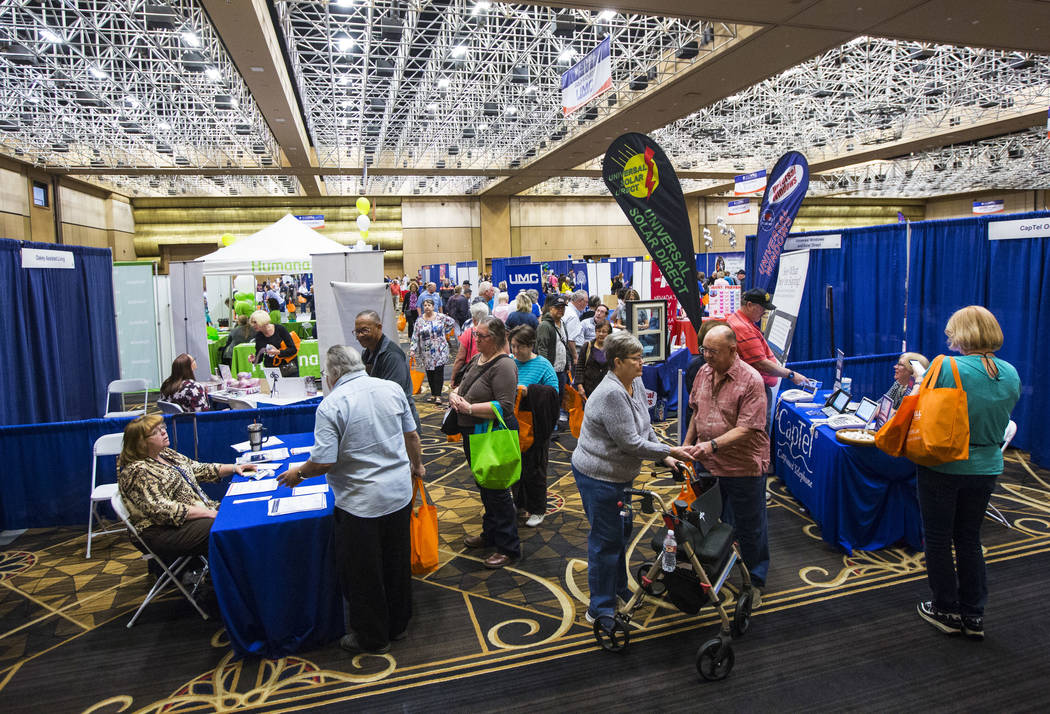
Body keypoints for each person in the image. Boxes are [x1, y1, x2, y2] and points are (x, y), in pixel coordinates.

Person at [278, 345, 424, 655]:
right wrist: (417, 466)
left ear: (331, 374)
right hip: (398, 495)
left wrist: (298, 475)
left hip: (361, 503)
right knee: (396, 562)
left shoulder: (331, 405)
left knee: (363, 573)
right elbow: (412, 435)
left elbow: (323, 463)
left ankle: (372, 637)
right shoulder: (392, 388)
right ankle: (398, 625)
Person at [571, 331, 693, 622]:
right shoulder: (612, 392)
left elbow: (645, 426)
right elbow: (632, 443)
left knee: (621, 534)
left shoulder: (634, 382)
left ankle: (617, 587)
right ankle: (599, 608)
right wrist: (672, 450)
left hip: (619, 475)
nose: (642, 364)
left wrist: (663, 456)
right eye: (636, 359)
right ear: (617, 362)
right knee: (605, 541)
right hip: (599, 477)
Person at [914, 306, 1020, 640]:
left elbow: (920, 407)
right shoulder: (1010, 373)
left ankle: (945, 608)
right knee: (969, 539)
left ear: (961, 334)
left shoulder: (946, 366)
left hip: (944, 465)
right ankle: (974, 614)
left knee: (939, 539)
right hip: (987, 468)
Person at [683, 325, 771, 602]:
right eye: (704, 350)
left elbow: (748, 428)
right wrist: (687, 447)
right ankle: (712, 569)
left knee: (749, 526)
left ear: (733, 350)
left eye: (714, 352)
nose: (707, 356)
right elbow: (696, 412)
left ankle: (755, 581)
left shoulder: (751, 381)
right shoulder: (703, 372)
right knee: (705, 521)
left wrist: (711, 445)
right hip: (706, 463)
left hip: (741, 466)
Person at [117, 415, 255, 562]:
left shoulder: (165, 453)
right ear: (141, 443)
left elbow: (198, 469)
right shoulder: (138, 470)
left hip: (193, 517)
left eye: (163, 427)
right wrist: (209, 513)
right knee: (227, 525)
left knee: (243, 509)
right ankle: (229, 577)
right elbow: (162, 510)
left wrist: (235, 468)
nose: (164, 432)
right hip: (160, 531)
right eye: (156, 432)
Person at [448, 317, 521, 569]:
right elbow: (463, 384)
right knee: (485, 486)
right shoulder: (478, 358)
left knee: (497, 491)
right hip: (474, 432)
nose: (475, 339)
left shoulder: (504, 366)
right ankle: (490, 534)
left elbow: (506, 406)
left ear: (497, 338)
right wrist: (455, 394)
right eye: (475, 335)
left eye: (481, 336)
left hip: (491, 433)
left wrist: (468, 408)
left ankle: (508, 546)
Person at [726, 289, 809, 423]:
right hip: (754, 390)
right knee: (758, 432)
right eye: (762, 308)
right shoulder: (743, 328)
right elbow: (761, 364)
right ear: (749, 305)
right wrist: (791, 375)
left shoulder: (739, 320)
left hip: (750, 386)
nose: (765, 312)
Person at [509, 325, 559, 527]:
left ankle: (538, 509)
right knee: (514, 466)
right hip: (512, 423)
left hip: (536, 426)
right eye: (512, 346)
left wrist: (530, 392)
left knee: (535, 468)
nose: (514, 351)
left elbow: (553, 396)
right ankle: (520, 504)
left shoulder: (543, 365)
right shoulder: (509, 363)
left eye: (519, 347)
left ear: (530, 345)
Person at [355, 310, 420, 429]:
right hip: (384, 420)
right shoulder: (367, 352)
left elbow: (393, 396)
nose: (360, 336)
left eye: (365, 330)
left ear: (379, 327)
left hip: (401, 424)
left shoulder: (392, 355)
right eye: (357, 332)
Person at [411, 297, 457, 404]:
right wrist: (413, 348)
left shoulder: (440, 317)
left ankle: (438, 395)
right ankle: (433, 394)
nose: (427, 307)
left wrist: (445, 332)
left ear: (433, 306)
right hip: (426, 350)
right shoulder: (420, 320)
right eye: (425, 305)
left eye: (429, 305)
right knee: (430, 372)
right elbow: (415, 335)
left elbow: (452, 322)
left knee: (438, 372)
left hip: (440, 349)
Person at [536, 294, 575, 406]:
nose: (560, 310)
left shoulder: (562, 323)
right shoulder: (545, 325)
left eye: (563, 307)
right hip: (550, 371)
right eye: (557, 307)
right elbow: (542, 349)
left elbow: (565, 345)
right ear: (550, 308)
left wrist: (567, 364)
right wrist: (545, 371)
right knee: (550, 401)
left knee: (559, 399)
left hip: (561, 370)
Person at [450, 302, 490, 388]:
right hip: (491, 371)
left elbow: (460, 359)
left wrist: (453, 378)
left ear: (473, 319)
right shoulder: (494, 332)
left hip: (472, 372)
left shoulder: (468, 333)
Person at [248, 310, 299, 376]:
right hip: (272, 370)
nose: (253, 325)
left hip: (288, 368)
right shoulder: (259, 336)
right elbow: (259, 357)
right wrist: (254, 359)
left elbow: (293, 349)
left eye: (255, 322)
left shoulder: (280, 329)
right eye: (252, 322)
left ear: (263, 321)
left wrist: (278, 352)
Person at [575, 321, 614, 398]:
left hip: (608, 388)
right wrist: (579, 386)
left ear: (609, 334)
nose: (601, 334)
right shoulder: (587, 346)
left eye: (604, 332)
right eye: (598, 331)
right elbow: (580, 367)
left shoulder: (612, 348)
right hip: (589, 389)